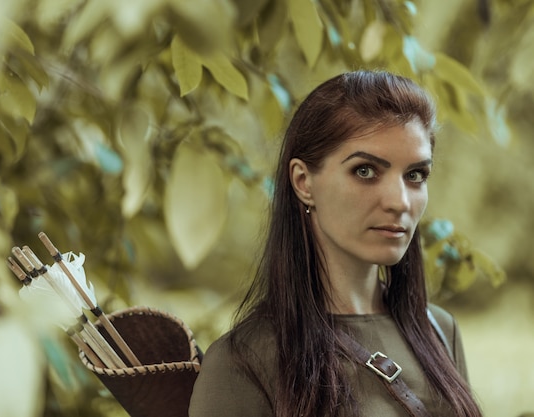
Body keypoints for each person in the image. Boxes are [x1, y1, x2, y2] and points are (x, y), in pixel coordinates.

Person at [188, 70, 482, 417]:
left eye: (415, 175)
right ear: (303, 182)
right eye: (365, 171)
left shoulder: (438, 330)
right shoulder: (245, 361)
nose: (400, 201)